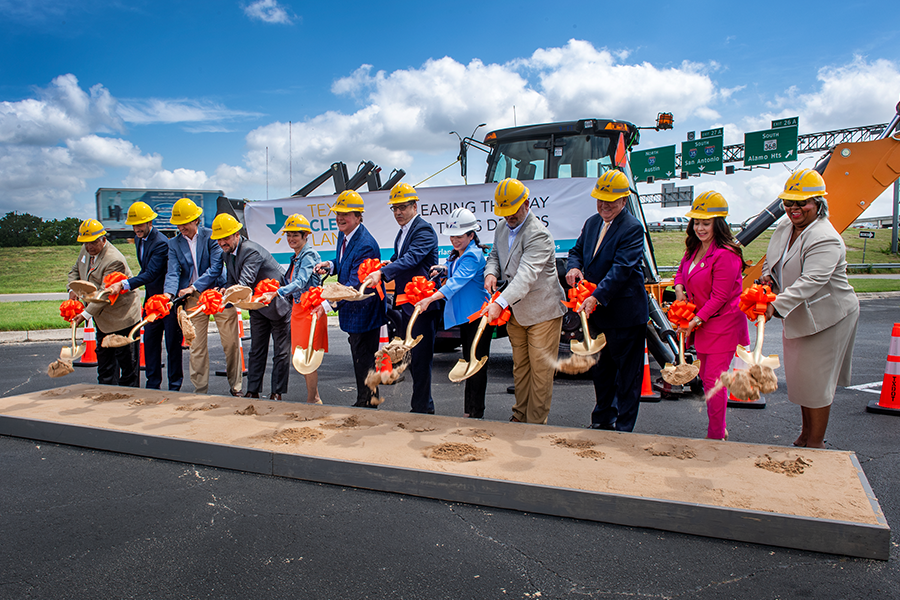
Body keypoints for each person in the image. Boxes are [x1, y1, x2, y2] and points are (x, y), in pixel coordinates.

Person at [761, 169, 859, 448]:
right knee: (802, 380)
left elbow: (812, 281)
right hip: (800, 314)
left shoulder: (825, 237)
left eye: (802, 203)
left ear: (818, 204)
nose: (794, 209)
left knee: (816, 383)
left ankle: (815, 444)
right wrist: (769, 278)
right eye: (789, 203)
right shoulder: (785, 227)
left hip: (828, 318)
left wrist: (775, 306)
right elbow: (772, 259)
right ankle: (805, 434)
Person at [566, 170, 648, 432]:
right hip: (597, 315)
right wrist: (574, 268)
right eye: (601, 200)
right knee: (601, 372)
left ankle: (624, 427)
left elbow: (621, 269)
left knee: (627, 375)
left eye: (611, 202)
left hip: (624, 314)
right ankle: (602, 418)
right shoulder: (591, 223)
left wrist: (596, 297)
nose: (605, 206)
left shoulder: (633, 228)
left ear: (624, 201)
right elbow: (576, 251)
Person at [485, 178, 566, 424]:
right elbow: (494, 256)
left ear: (527, 204)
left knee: (541, 373)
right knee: (520, 369)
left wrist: (499, 303)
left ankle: (534, 424)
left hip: (543, 313)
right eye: (504, 212)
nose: (508, 217)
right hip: (517, 313)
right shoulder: (501, 228)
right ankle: (519, 416)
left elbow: (525, 276)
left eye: (512, 211)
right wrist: (491, 272)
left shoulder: (538, 235)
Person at [672, 191, 749, 440]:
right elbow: (681, 273)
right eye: (696, 222)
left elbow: (719, 297)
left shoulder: (726, 254)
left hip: (722, 325)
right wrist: (680, 291)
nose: (700, 228)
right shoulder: (694, 249)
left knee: (713, 383)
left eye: (706, 223)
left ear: (719, 223)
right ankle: (719, 428)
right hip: (703, 325)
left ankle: (716, 435)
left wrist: (692, 321)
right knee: (706, 379)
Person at [362, 183, 440, 414]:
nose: (398, 212)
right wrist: (388, 261)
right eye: (395, 208)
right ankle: (423, 406)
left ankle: (422, 409)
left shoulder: (423, 230)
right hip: (409, 304)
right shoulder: (405, 230)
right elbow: (401, 256)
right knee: (414, 358)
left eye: (403, 207)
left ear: (415, 206)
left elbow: (413, 258)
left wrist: (383, 273)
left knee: (421, 359)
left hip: (423, 306)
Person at [415, 208, 492, 419]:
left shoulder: (474, 256)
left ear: (471, 235)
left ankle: (476, 413)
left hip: (478, 318)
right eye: (452, 236)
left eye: (460, 236)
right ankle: (470, 411)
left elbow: (456, 283)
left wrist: (430, 299)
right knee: (469, 360)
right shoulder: (460, 254)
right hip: (467, 317)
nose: (455, 240)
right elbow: (454, 271)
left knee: (476, 364)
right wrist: (443, 269)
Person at [314, 190, 386, 408]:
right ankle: (365, 399)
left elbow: (355, 284)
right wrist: (332, 264)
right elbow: (345, 260)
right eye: (338, 213)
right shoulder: (345, 235)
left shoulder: (365, 243)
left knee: (364, 359)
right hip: (354, 312)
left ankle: (369, 402)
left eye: (345, 214)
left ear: (358, 216)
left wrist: (327, 304)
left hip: (363, 312)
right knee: (359, 358)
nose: (340, 218)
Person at [164, 198, 242, 397]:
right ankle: (200, 392)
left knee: (231, 343)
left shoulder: (211, 236)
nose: (181, 228)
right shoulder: (174, 243)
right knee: (196, 346)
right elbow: (172, 271)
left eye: (185, 223)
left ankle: (236, 387)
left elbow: (216, 268)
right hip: (192, 299)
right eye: (178, 224)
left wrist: (193, 286)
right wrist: (168, 294)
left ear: (196, 220)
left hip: (218, 293)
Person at [213, 213, 291, 401]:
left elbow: (243, 284)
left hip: (276, 305)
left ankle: (277, 393)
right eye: (219, 239)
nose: (222, 242)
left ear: (237, 234)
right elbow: (232, 282)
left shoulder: (250, 251)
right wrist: (222, 290)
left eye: (226, 237)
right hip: (257, 306)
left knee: (280, 352)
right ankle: (253, 390)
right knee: (256, 349)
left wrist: (225, 293)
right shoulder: (227, 254)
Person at [106, 201, 184, 391]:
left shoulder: (161, 244)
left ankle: (174, 386)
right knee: (150, 342)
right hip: (151, 300)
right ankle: (153, 385)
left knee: (172, 345)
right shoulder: (140, 239)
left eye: (140, 225)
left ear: (150, 222)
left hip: (167, 300)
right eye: (134, 225)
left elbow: (151, 273)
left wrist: (125, 284)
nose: (136, 229)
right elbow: (145, 270)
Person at [67, 219, 141, 387]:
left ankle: (131, 397)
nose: (89, 247)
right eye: (86, 243)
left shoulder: (114, 260)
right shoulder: (85, 250)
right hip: (101, 317)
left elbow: (104, 294)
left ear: (104, 239)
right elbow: (75, 270)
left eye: (93, 243)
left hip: (121, 316)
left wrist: (84, 315)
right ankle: (106, 394)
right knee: (105, 363)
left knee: (127, 364)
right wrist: (72, 289)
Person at [266, 214, 327, 404]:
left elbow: (300, 282)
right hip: (299, 310)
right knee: (302, 355)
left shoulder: (308, 255)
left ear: (305, 235)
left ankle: (313, 399)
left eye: (296, 235)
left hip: (311, 311)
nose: (291, 238)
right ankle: (313, 398)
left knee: (309, 356)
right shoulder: (297, 256)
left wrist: (276, 293)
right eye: (289, 235)